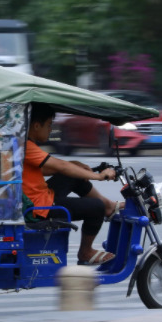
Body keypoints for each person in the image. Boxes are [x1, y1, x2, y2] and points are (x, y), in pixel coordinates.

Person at [23, 102, 123, 265]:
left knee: (74, 175)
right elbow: (60, 166)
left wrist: (75, 165)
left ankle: (109, 206)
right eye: (48, 125)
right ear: (36, 125)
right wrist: (99, 176)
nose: (50, 130)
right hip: (40, 209)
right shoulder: (27, 146)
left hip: (40, 198)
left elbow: (45, 169)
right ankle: (85, 252)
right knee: (95, 207)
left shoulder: (25, 144)